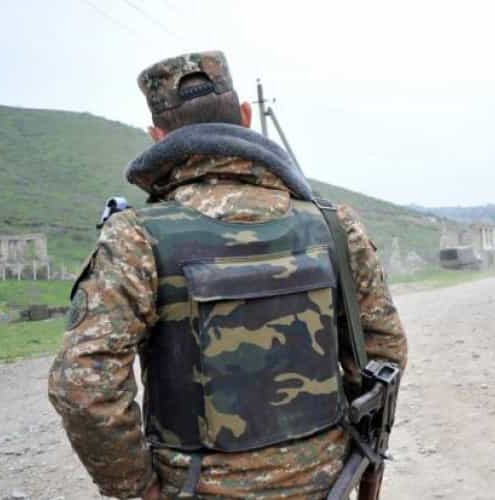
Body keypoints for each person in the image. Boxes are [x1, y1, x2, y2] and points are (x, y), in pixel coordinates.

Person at [48, 51, 407, 499]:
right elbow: (384, 353)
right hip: (326, 481)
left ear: (157, 136)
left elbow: (84, 386)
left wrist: (138, 487)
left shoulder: (136, 238)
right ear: (246, 116)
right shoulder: (334, 225)